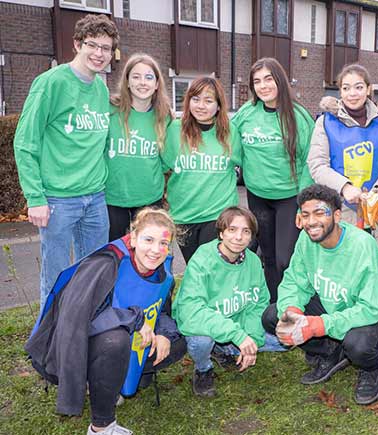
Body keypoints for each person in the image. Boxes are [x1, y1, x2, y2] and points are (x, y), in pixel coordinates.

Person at [25, 208, 187, 435]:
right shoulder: (106, 263)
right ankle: (101, 426)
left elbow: (161, 311)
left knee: (178, 342)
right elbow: (80, 318)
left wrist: (163, 335)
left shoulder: (162, 271)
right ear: (133, 238)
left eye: (163, 243)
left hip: (124, 338)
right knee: (115, 340)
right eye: (148, 240)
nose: (155, 250)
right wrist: (135, 319)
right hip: (75, 343)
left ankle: (111, 384)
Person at [13, 14, 119, 311]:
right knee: (57, 276)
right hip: (59, 200)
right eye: (93, 45)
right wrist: (35, 197)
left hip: (96, 199)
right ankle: (49, 341)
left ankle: (88, 333)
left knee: (95, 272)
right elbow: (25, 142)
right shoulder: (50, 84)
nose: (99, 54)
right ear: (77, 44)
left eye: (106, 48)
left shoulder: (99, 89)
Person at [261, 184, 378, 405]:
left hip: (365, 316)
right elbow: (295, 282)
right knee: (273, 316)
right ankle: (330, 353)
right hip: (330, 307)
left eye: (319, 213)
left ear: (336, 215)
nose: (311, 222)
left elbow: (370, 308)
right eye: (305, 215)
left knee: (358, 345)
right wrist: (292, 313)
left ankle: (369, 369)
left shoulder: (363, 245)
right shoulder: (307, 239)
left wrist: (316, 326)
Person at [172, 207, 283, 398]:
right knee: (201, 341)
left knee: (285, 340)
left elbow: (258, 304)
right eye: (232, 230)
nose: (238, 237)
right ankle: (204, 368)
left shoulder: (253, 262)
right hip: (205, 325)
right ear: (221, 232)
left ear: (251, 237)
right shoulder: (202, 259)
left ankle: (226, 348)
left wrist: (252, 340)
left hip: (237, 322)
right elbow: (192, 311)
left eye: (245, 231)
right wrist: (239, 336)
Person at [232, 57, 315, 302]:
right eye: (257, 81)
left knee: (285, 259)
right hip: (258, 196)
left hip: (289, 197)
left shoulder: (298, 116)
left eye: (268, 79)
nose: (263, 86)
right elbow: (224, 139)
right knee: (267, 257)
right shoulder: (246, 113)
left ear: (280, 80)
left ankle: (294, 303)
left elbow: (310, 160)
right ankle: (273, 308)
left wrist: (304, 203)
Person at [308, 63, 378, 248]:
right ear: (340, 91)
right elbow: (317, 164)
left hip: (373, 211)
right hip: (338, 209)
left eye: (359, 87)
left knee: (368, 266)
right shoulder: (326, 122)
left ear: (368, 89)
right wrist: (345, 188)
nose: (352, 93)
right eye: (346, 88)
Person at [162, 77, 240, 263]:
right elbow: (163, 167)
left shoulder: (230, 132)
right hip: (183, 215)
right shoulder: (174, 130)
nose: (200, 105)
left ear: (219, 106)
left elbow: (250, 164)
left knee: (210, 267)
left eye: (208, 100)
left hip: (217, 214)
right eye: (195, 99)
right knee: (194, 268)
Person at [105, 53, 173, 240]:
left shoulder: (164, 116)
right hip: (112, 198)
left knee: (151, 253)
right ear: (127, 81)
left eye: (149, 77)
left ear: (157, 84)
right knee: (114, 255)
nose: (142, 82)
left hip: (150, 199)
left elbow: (167, 159)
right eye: (136, 76)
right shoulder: (110, 109)